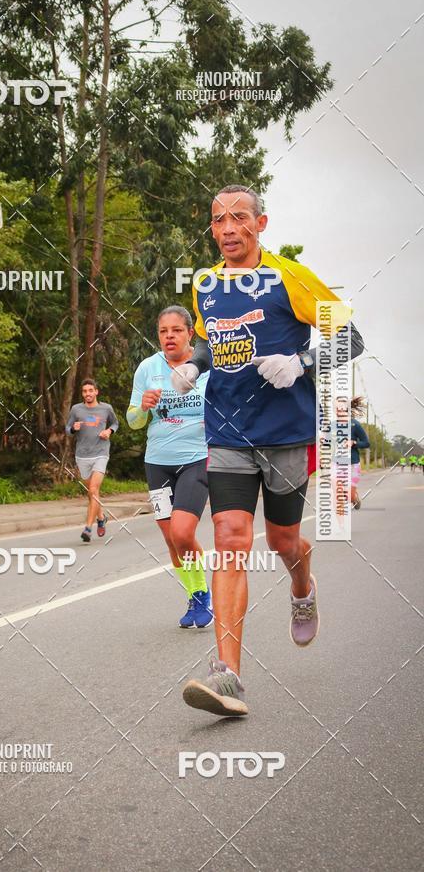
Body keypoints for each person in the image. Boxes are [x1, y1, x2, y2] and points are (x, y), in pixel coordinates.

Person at [171, 184, 364, 717]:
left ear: (262, 223)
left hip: (285, 432)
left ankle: (303, 584)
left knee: (283, 540)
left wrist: (302, 364)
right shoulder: (205, 283)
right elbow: (215, 339)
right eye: (217, 220)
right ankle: (227, 675)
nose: (228, 229)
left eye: (239, 218)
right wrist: (196, 362)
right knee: (231, 537)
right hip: (227, 430)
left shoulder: (288, 278)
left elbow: (352, 338)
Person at [127, 306, 212, 628]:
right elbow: (133, 422)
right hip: (157, 463)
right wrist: (143, 408)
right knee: (170, 539)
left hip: (197, 458)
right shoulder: (148, 368)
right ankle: (193, 598)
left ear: (190, 333)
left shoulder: (204, 366)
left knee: (182, 532)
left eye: (176, 330)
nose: (169, 337)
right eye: (163, 331)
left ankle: (203, 593)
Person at [66, 379, 118, 542]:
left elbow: (115, 423)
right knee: (92, 494)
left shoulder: (106, 408)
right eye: (84, 391)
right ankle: (101, 518)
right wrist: (73, 429)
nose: (87, 393)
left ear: (96, 392)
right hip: (82, 455)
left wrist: (109, 431)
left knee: (93, 489)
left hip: (101, 453)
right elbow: (67, 429)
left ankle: (88, 528)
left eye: (90, 390)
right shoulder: (76, 409)